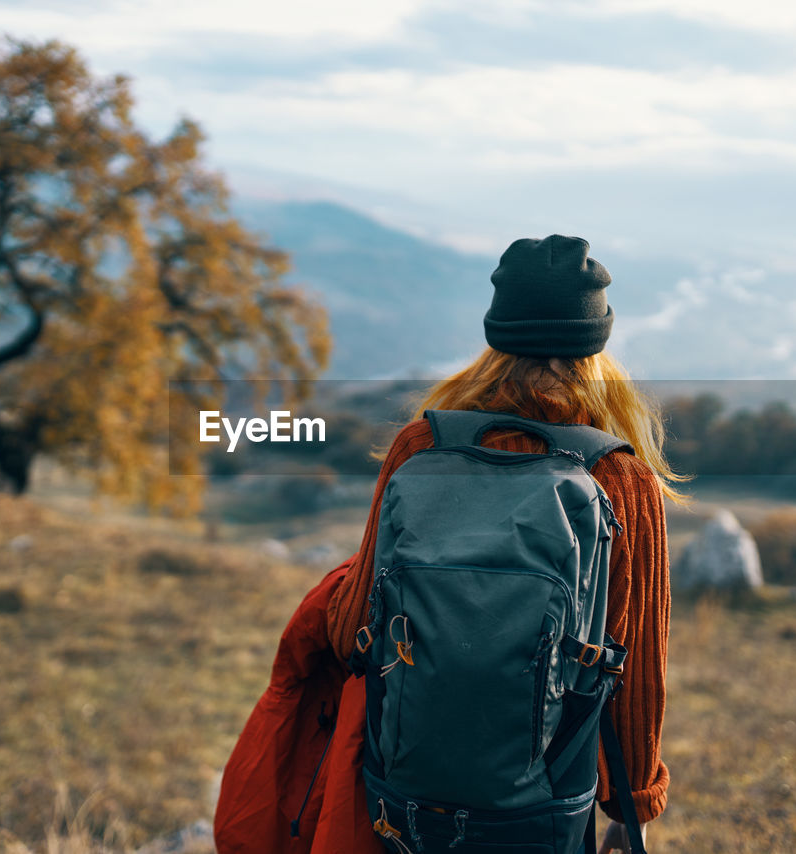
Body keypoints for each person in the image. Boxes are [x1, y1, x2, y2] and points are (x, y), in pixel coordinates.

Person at [215, 235, 683, 854]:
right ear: (596, 343)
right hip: (540, 805)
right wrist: (631, 809)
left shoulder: (419, 448)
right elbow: (635, 667)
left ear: (496, 333)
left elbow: (356, 627)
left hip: (405, 793)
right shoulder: (621, 480)